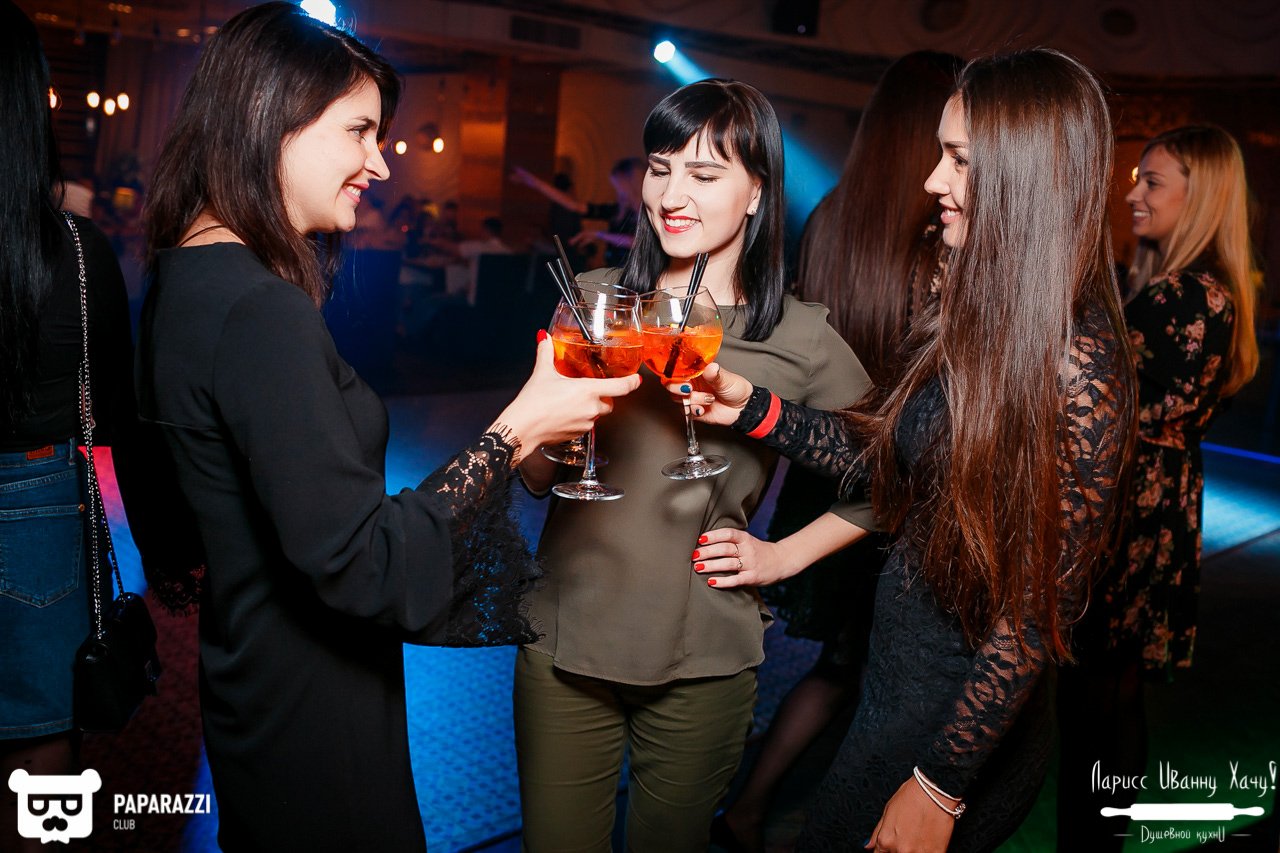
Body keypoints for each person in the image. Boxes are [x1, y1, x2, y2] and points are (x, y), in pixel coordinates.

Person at [137, 5, 638, 851]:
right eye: (359, 131)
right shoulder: (260, 311)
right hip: (313, 704)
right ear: (271, 120)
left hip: (251, 674)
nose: (379, 162)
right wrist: (515, 429)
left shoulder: (183, 274)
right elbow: (363, 563)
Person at [682, 49, 1135, 852]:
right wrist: (749, 406)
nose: (932, 180)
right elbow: (891, 457)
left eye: (959, 159)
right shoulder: (978, 306)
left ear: (1024, 177)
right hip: (897, 686)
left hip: (954, 720)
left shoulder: (1079, 362)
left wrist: (940, 783)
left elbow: (1034, 613)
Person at [513, 78, 872, 853]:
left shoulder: (799, 337)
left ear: (757, 192)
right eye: (659, 168)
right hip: (564, 637)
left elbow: (896, 474)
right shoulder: (593, 301)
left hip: (702, 654)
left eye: (705, 174)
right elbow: (536, 477)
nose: (671, 195)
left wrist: (783, 555)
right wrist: (555, 423)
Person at [713, 50, 962, 853]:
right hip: (897, 483)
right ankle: (767, 806)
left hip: (822, 466)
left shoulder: (830, 216)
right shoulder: (943, 238)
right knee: (860, 671)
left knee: (841, 665)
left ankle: (756, 802)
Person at [0, 5, 200, 851]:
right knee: (42, 769)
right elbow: (126, 419)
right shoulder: (77, 254)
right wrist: (170, 555)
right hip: (40, 512)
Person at [1055, 124, 1260, 851]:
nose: (1133, 193)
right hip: (1157, 500)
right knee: (1112, 690)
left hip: (1132, 504)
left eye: (1152, 181)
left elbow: (1113, 406)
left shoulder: (1183, 295)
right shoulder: (1202, 289)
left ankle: (1089, 841)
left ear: (1197, 196)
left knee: (1096, 693)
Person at [510, 157, 645, 267]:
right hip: (617, 272)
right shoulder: (617, 211)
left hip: (639, 276)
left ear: (632, 185)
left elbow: (637, 242)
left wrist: (600, 235)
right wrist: (534, 182)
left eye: (620, 186)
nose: (619, 192)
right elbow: (574, 205)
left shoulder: (649, 213)